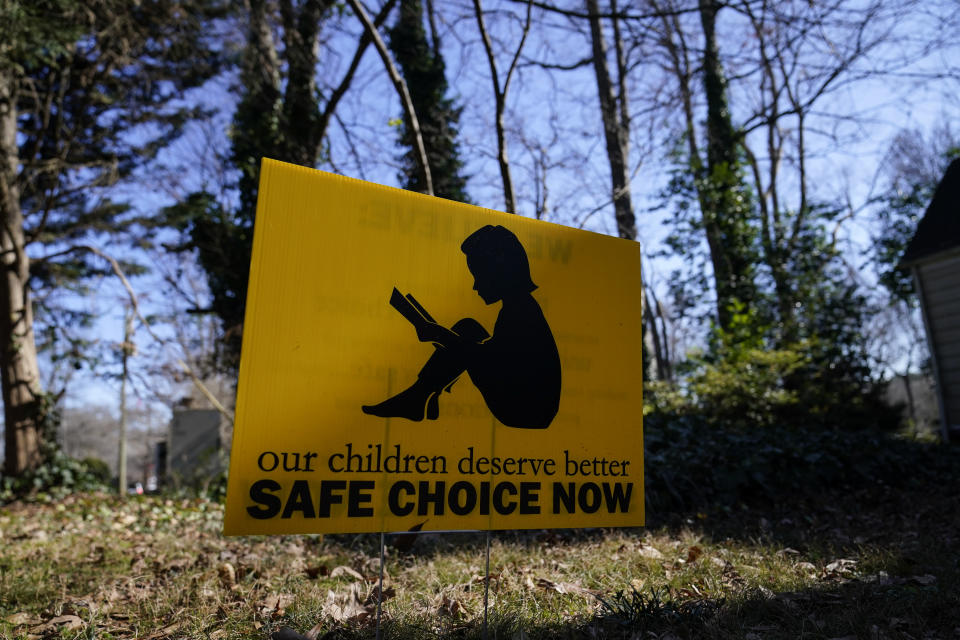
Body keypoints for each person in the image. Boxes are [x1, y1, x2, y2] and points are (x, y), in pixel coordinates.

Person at [362, 225, 561, 429]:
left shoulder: (521, 310)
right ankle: (418, 396)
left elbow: (493, 361)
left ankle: (416, 397)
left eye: (479, 276)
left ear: (500, 272)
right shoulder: (518, 307)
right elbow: (497, 356)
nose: (475, 286)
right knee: (468, 328)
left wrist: (441, 336)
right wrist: (446, 338)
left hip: (524, 411)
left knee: (464, 340)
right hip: (525, 402)